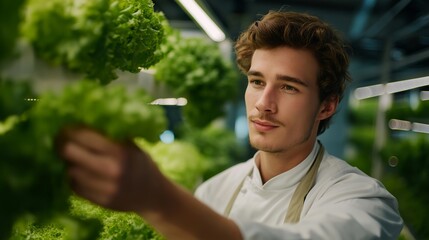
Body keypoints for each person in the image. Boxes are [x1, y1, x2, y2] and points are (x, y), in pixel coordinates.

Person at [58, 10, 403, 239]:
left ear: (327, 105)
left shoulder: (364, 200)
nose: (264, 104)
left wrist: (157, 198)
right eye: (256, 82)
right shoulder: (213, 190)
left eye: (288, 87)